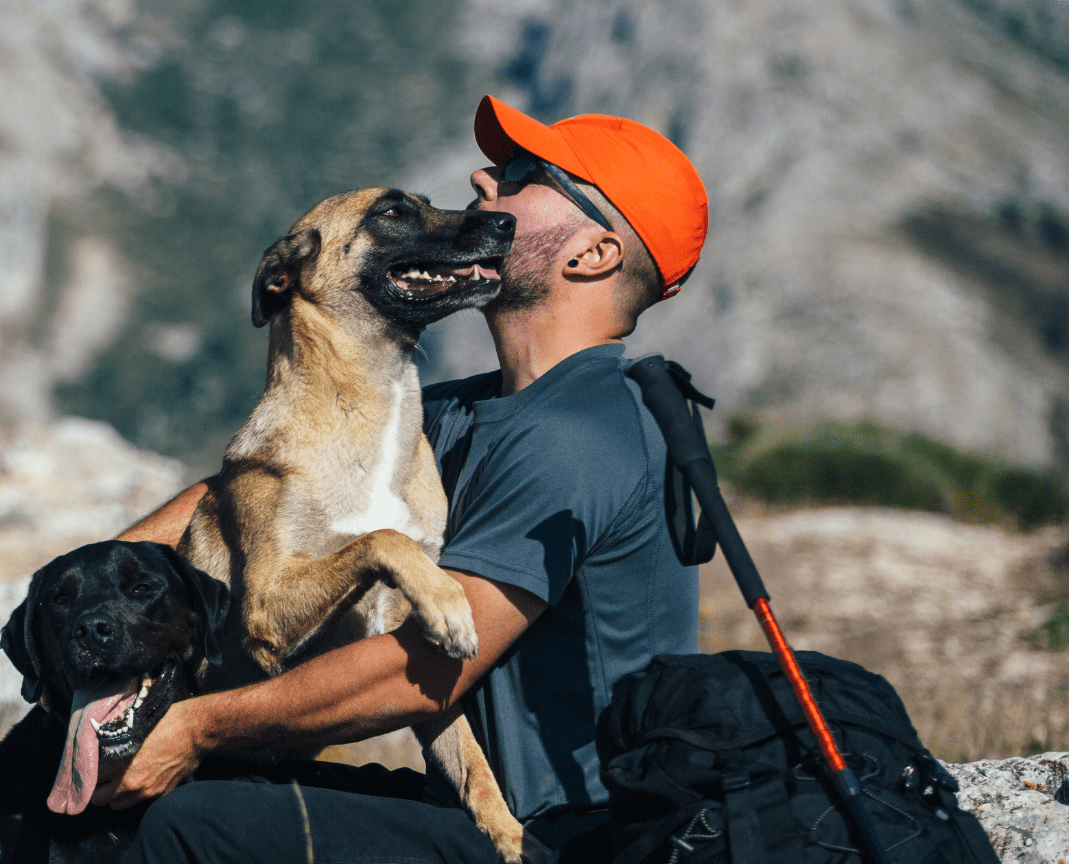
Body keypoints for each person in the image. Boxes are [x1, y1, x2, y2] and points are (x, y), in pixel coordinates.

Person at [98, 94, 711, 864]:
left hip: (562, 837)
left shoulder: (583, 433)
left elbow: (416, 672)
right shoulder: (466, 413)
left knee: (190, 829)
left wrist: (192, 727)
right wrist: (86, 591)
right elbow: (257, 484)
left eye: (525, 174)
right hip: (468, 808)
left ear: (591, 254)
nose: (485, 182)